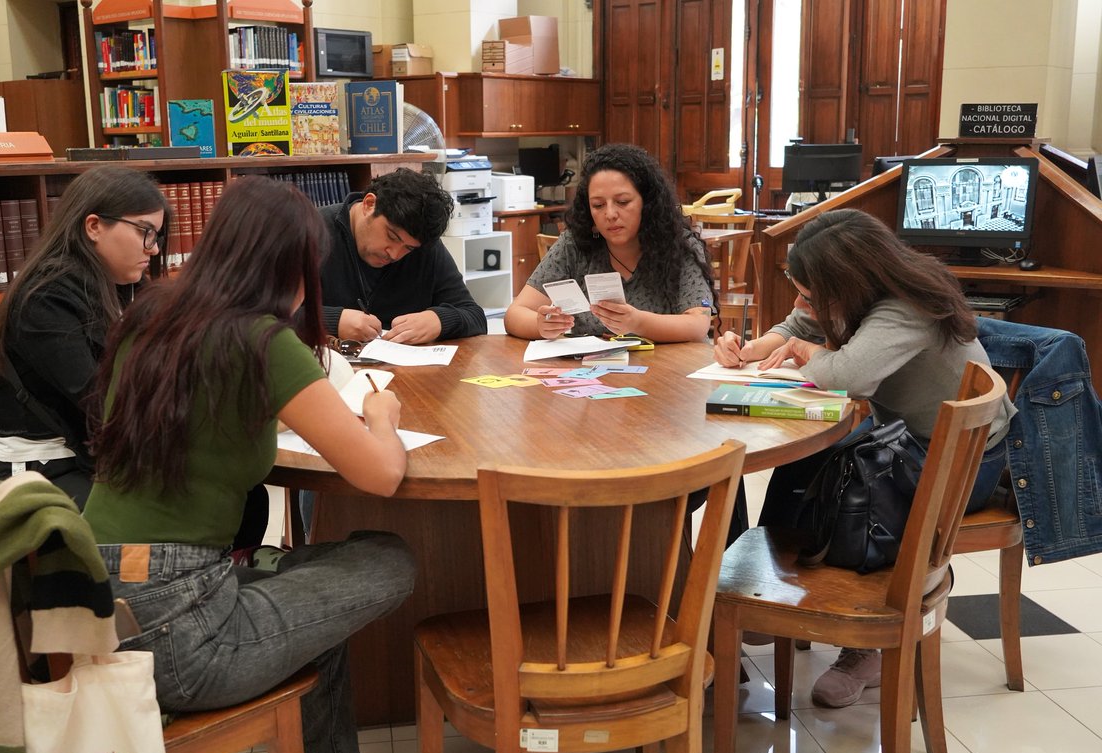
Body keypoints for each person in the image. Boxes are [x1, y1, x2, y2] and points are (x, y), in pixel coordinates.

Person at [83, 175, 414, 753]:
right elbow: (382, 472)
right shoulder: (262, 340)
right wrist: (382, 417)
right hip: (179, 633)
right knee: (388, 558)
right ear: (288, 266)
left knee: (315, 589)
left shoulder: (150, 315)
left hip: (99, 598)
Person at [715, 208, 1015, 708]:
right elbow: (797, 323)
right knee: (808, 457)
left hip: (962, 464)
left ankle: (865, 643)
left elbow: (847, 375)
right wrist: (751, 350)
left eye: (811, 291)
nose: (800, 299)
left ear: (845, 283)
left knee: (846, 485)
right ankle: (775, 585)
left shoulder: (905, 307)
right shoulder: (862, 291)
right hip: (914, 438)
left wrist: (803, 352)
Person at [0, 165, 170, 509]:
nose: (153, 249)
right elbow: (100, 400)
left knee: (244, 499)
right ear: (94, 227)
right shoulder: (44, 297)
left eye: (155, 235)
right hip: (38, 470)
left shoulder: (124, 287)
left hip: (94, 454)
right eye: (145, 231)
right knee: (176, 511)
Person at [504, 142, 716, 342]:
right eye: (598, 205)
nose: (610, 214)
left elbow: (698, 324)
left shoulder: (678, 244)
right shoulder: (576, 244)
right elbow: (514, 314)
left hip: (668, 373)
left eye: (622, 202)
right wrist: (541, 325)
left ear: (648, 202)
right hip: (595, 374)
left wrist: (637, 322)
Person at [317, 167, 486, 344]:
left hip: (405, 367)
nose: (395, 254)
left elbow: (474, 315)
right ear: (369, 204)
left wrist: (439, 321)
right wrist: (333, 321)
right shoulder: (310, 231)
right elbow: (285, 316)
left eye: (409, 248)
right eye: (392, 236)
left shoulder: (426, 245)